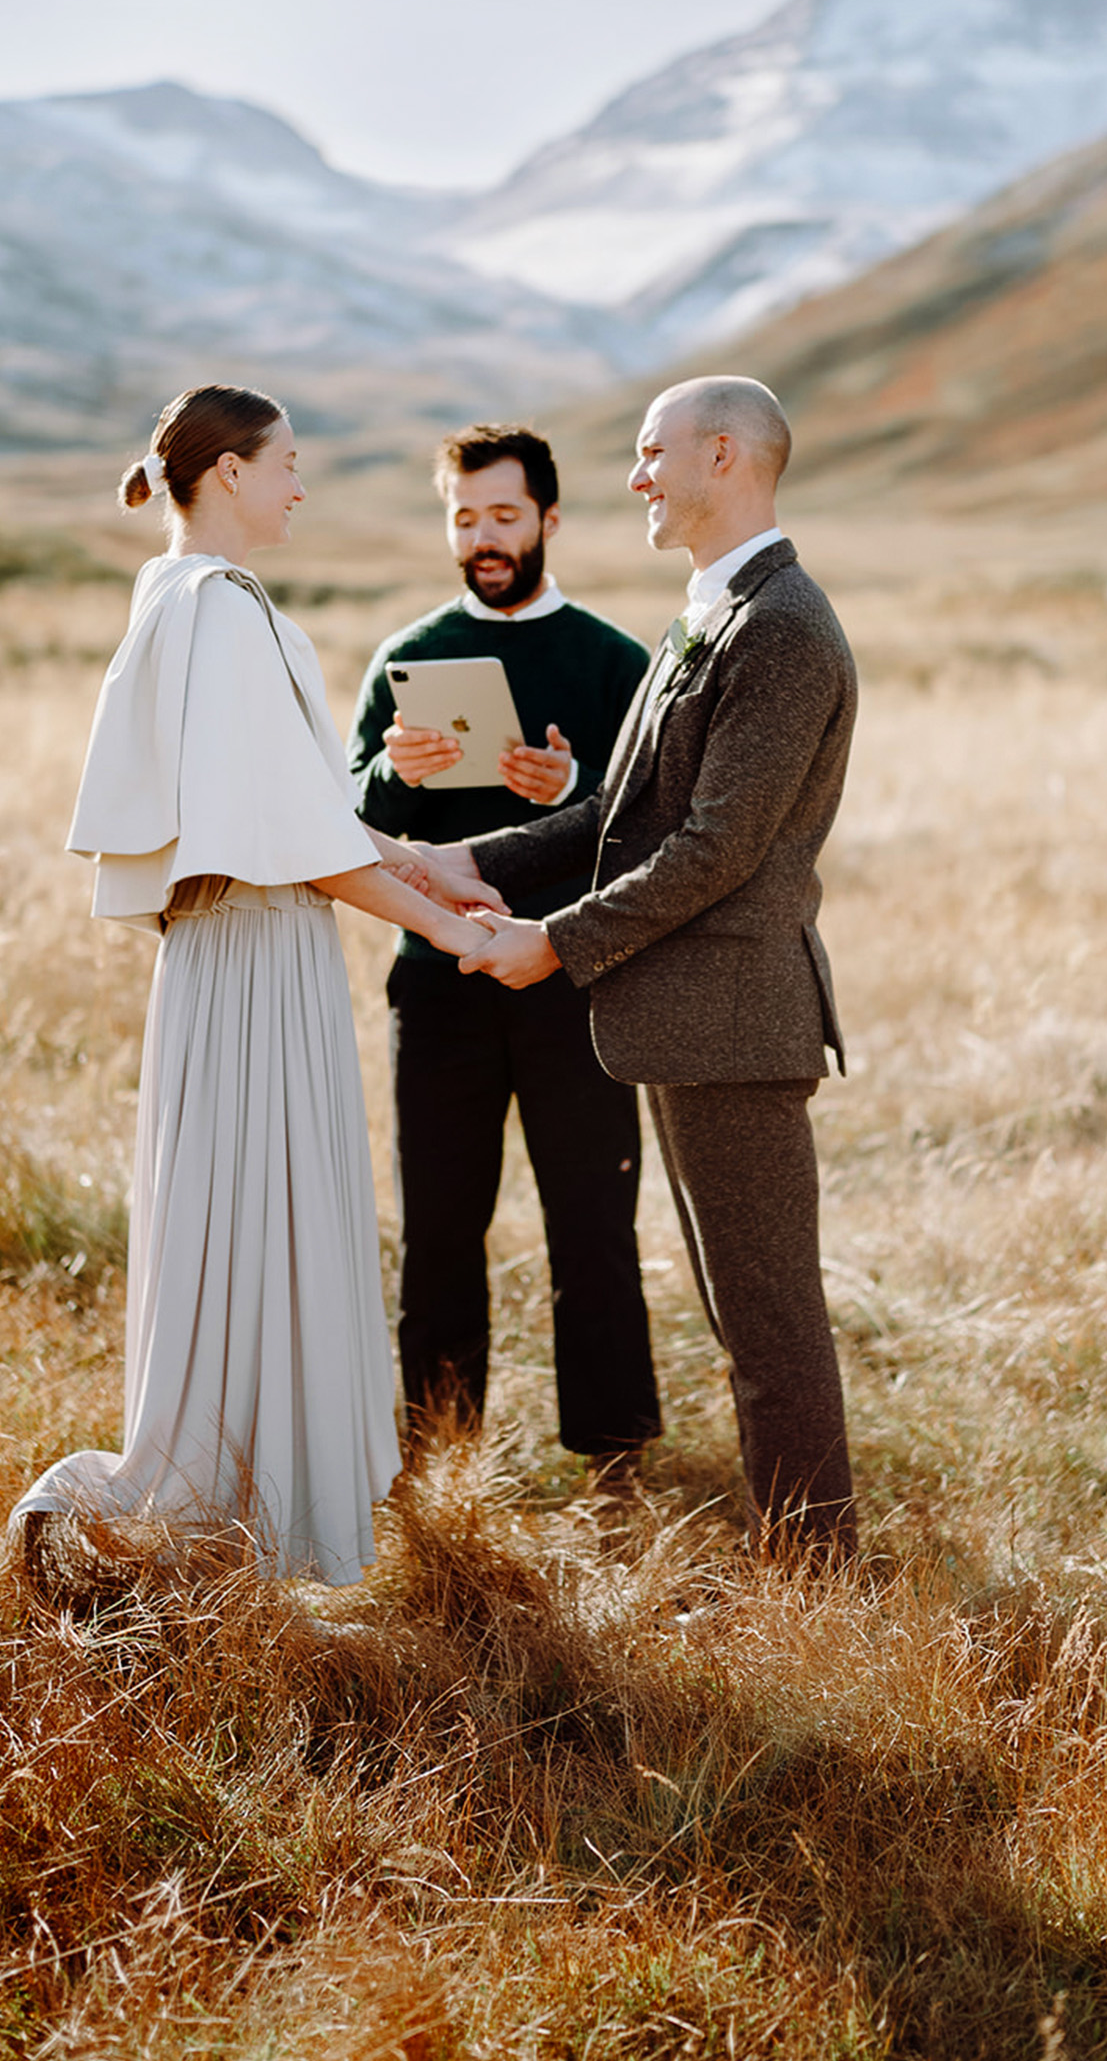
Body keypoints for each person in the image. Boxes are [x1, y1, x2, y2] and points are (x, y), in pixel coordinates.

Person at [10, 383, 497, 1588]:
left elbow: (308, 812)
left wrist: (426, 864)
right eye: (286, 461)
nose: (298, 482)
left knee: (254, 1211)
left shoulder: (181, 597)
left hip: (240, 952)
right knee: (261, 1208)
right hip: (254, 955)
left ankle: (250, 1496)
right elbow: (305, 846)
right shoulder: (219, 615)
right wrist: (448, 927)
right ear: (226, 470)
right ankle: (234, 1503)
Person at [422, 378, 859, 1564]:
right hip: (683, 1020)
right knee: (739, 1317)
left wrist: (554, 943)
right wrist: (452, 856)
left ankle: (813, 1579)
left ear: (724, 456)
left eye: (651, 452)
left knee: (767, 1325)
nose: (635, 478)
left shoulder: (783, 627)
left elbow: (714, 848)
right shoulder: (707, 611)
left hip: (736, 1025)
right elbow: (620, 815)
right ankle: (799, 1559)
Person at [347, 425, 661, 1468]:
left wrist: (568, 793)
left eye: (504, 515)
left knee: (592, 1225)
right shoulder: (406, 657)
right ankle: (440, 1456)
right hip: (435, 988)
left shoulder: (617, 661)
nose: (483, 537)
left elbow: (655, 822)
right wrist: (394, 775)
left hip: (573, 978)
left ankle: (614, 1454)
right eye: (464, 516)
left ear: (549, 520)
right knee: (439, 1231)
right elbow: (345, 821)